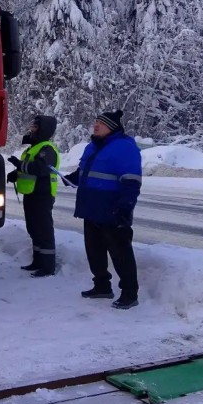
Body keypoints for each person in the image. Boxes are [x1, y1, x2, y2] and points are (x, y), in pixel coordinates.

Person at [63, 110, 142, 309]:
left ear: (112, 127)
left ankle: (129, 293)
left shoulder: (124, 147)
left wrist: (125, 207)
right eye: (96, 121)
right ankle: (102, 286)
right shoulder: (92, 146)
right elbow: (86, 171)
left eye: (102, 123)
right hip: (91, 208)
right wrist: (73, 178)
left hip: (113, 210)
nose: (96, 125)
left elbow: (132, 181)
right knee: (94, 251)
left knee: (120, 253)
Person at [6, 115, 60, 277]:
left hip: (43, 194)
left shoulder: (47, 149)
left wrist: (19, 164)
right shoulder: (33, 148)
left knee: (44, 230)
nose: (31, 130)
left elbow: (39, 168)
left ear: (44, 130)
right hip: (31, 194)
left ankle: (48, 266)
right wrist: (16, 173)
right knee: (34, 229)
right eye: (32, 127)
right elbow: (28, 168)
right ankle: (38, 261)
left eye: (35, 127)